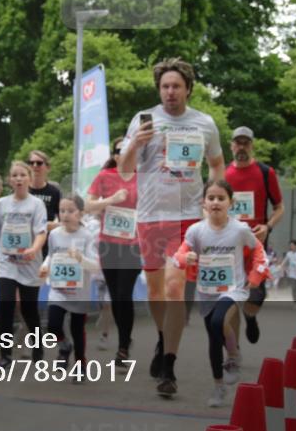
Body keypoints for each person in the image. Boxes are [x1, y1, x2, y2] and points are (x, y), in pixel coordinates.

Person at [119, 57, 225, 398]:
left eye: (176, 86)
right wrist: (135, 143)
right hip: (150, 216)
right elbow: (123, 170)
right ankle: (164, 338)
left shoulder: (204, 124)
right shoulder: (142, 120)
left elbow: (216, 163)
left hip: (187, 219)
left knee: (176, 287)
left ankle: (169, 365)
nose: (170, 92)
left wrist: (214, 196)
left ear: (188, 89)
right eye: (165, 86)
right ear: (159, 90)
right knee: (155, 292)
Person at [171, 180, 256, 407]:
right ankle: (218, 386)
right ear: (204, 203)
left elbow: (256, 250)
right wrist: (185, 258)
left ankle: (234, 357)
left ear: (231, 203)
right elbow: (178, 255)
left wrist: (254, 274)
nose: (216, 202)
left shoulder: (240, 230)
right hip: (206, 291)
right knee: (213, 335)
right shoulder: (196, 231)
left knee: (219, 320)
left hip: (233, 290)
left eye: (221, 198)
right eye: (211, 198)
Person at [0, 161, 48, 368]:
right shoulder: (2, 203)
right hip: (6, 261)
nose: (18, 178)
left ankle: (38, 348)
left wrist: (34, 249)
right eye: (15, 175)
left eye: (22, 175)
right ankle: (5, 355)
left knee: (29, 310)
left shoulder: (36, 204)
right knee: (6, 304)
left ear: (29, 178)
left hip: (28, 263)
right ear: (10, 180)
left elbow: (41, 232)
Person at [224, 126, 283, 345]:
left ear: (252, 146)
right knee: (229, 295)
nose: (241, 147)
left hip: (256, 244)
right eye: (237, 143)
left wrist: (267, 226)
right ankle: (233, 348)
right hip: (228, 244)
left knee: (256, 295)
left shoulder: (266, 172)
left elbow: (279, 207)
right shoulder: (223, 174)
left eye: (245, 143)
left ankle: (250, 316)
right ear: (231, 146)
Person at [86, 136, 140, 368]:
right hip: (109, 245)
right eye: (120, 150)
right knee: (116, 297)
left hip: (134, 245)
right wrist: (110, 200)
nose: (124, 154)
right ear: (115, 155)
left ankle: (123, 347)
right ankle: (125, 337)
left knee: (124, 294)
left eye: (129, 149)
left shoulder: (143, 178)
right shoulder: (105, 177)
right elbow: (87, 205)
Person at [39, 194, 100, 378]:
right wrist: (45, 266)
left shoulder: (87, 236)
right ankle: (64, 346)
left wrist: (80, 258)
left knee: (77, 329)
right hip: (58, 291)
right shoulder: (55, 235)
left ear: (80, 214)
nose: (65, 215)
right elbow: (51, 255)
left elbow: (96, 266)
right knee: (53, 325)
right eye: (62, 211)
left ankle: (81, 363)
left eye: (70, 211)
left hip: (79, 292)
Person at [28, 149, 62, 236]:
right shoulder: (22, 189)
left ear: (48, 167)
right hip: (25, 240)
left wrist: (54, 225)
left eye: (39, 163)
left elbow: (62, 220)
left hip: (47, 240)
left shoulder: (54, 192)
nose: (35, 166)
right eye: (31, 163)